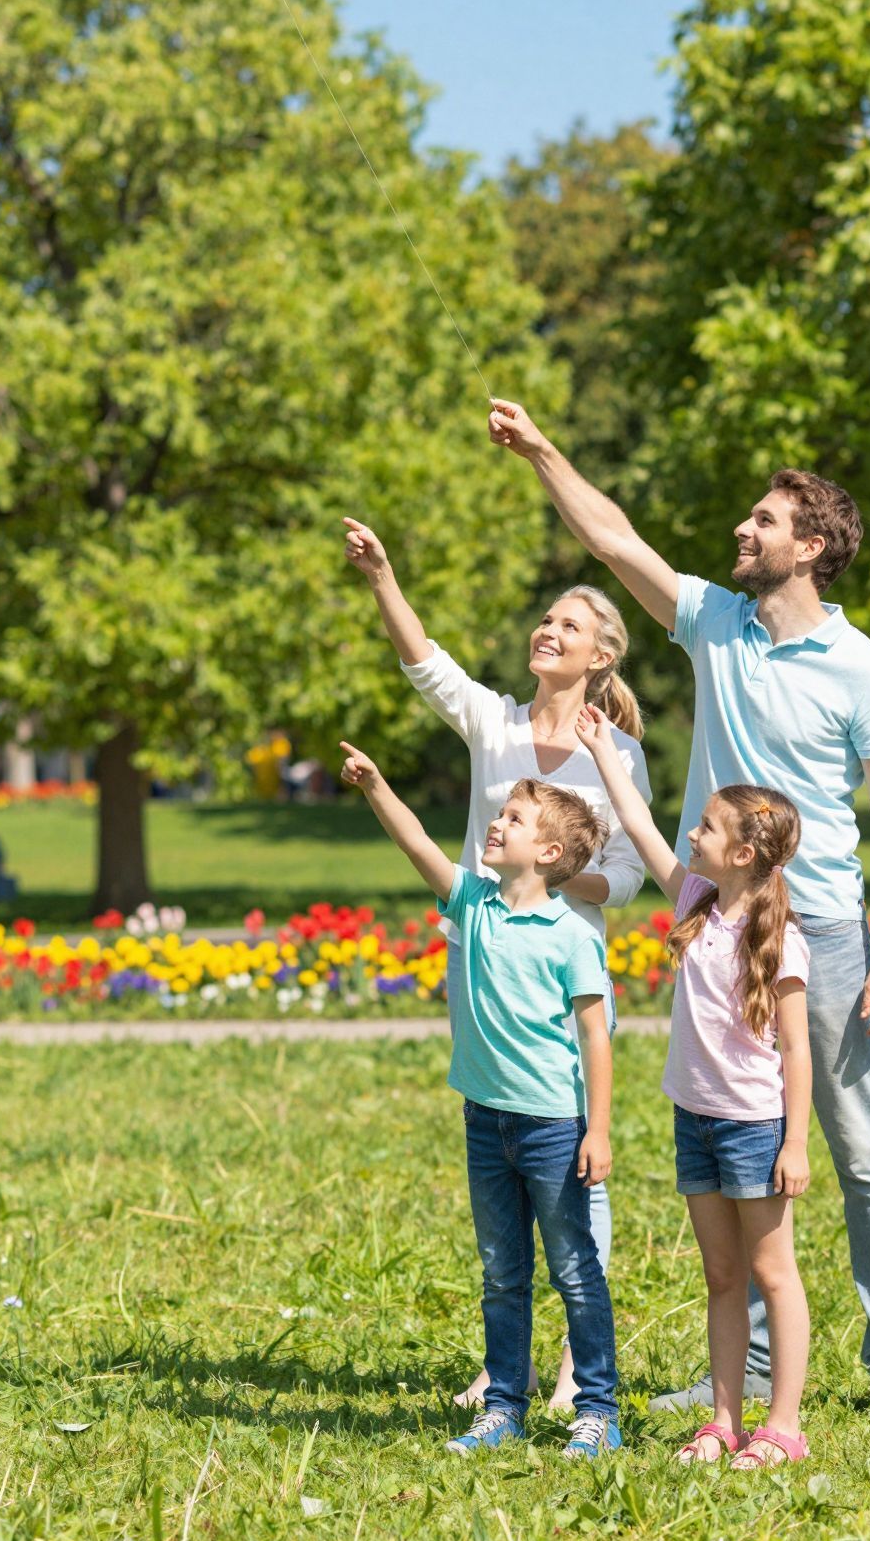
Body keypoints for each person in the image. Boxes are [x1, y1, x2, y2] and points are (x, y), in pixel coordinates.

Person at [488, 400, 870, 1422]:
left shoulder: (868, 671)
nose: (743, 529)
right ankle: (760, 1368)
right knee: (734, 1125)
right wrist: (548, 450)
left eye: (764, 521)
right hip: (707, 926)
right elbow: (614, 538)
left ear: (811, 546)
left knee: (858, 1142)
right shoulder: (715, 622)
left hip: (815, 928)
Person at [343, 516, 650, 1409]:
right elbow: (424, 661)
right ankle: (504, 1360)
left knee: (574, 1164)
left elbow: (629, 874)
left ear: (601, 654)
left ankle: (574, 1365)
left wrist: (553, 889)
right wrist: (383, 576)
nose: (547, 631)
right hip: (482, 964)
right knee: (503, 1152)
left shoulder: (617, 751)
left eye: (569, 625)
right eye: (544, 620)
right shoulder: (495, 722)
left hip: (563, 967)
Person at [339, 745, 621, 1461]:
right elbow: (415, 842)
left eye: (514, 818)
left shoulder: (570, 936)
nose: (496, 823)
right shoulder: (473, 904)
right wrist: (377, 787)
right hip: (485, 1121)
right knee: (501, 1272)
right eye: (500, 814)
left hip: (556, 1127)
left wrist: (600, 1131)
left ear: (549, 850)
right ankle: (503, 1407)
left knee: (575, 1271)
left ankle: (598, 1410)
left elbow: (597, 1037)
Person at [577, 703, 812, 1468]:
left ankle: (782, 1427)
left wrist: (797, 1142)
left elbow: (798, 1053)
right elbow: (640, 826)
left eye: (707, 828)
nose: (692, 837)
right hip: (697, 1120)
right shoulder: (695, 904)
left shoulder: (781, 940)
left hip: (753, 1127)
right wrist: (603, 753)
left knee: (772, 1274)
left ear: (744, 851)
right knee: (720, 1276)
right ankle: (722, 1419)